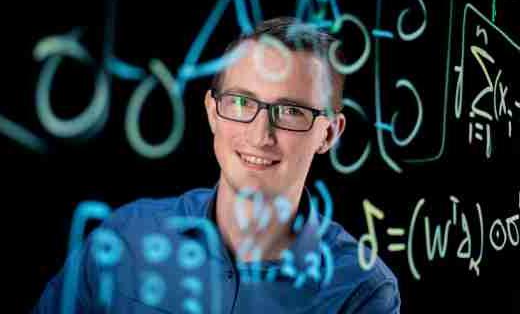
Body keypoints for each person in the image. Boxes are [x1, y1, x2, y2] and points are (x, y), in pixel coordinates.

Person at [33, 17, 400, 313]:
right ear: (212, 112)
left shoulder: (361, 290)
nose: (260, 136)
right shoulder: (125, 238)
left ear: (329, 134)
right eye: (241, 103)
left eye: (290, 111)